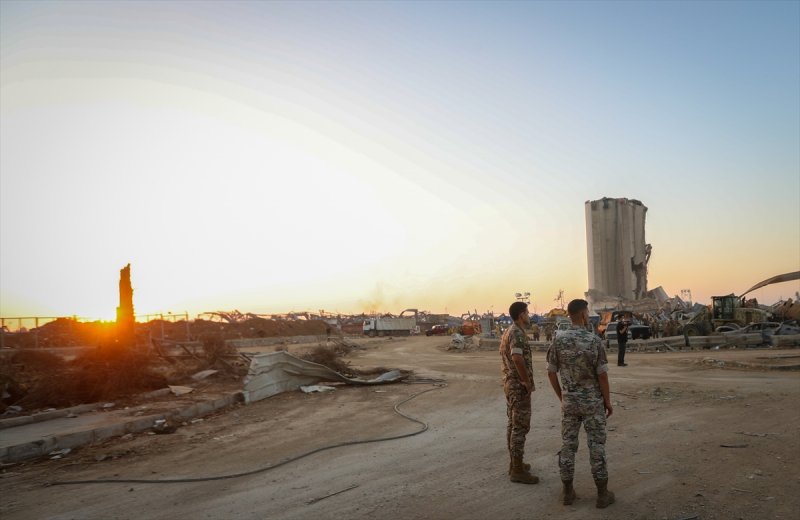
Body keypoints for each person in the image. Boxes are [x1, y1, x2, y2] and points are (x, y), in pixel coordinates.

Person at [547, 298, 615, 508]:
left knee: (568, 446)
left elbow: (551, 373)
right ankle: (602, 495)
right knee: (596, 447)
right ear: (584, 315)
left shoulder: (558, 340)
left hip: (570, 404)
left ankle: (567, 492)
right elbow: (602, 376)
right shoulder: (594, 341)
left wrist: (563, 397)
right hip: (592, 404)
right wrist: (607, 401)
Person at [499, 301, 539, 484]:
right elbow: (517, 358)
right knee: (520, 427)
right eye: (527, 312)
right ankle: (516, 469)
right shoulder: (516, 332)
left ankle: (515, 463)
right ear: (521, 314)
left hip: (509, 384)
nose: (529, 315)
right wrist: (526, 381)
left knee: (513, 424)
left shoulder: (508, 331)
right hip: (517, 386)